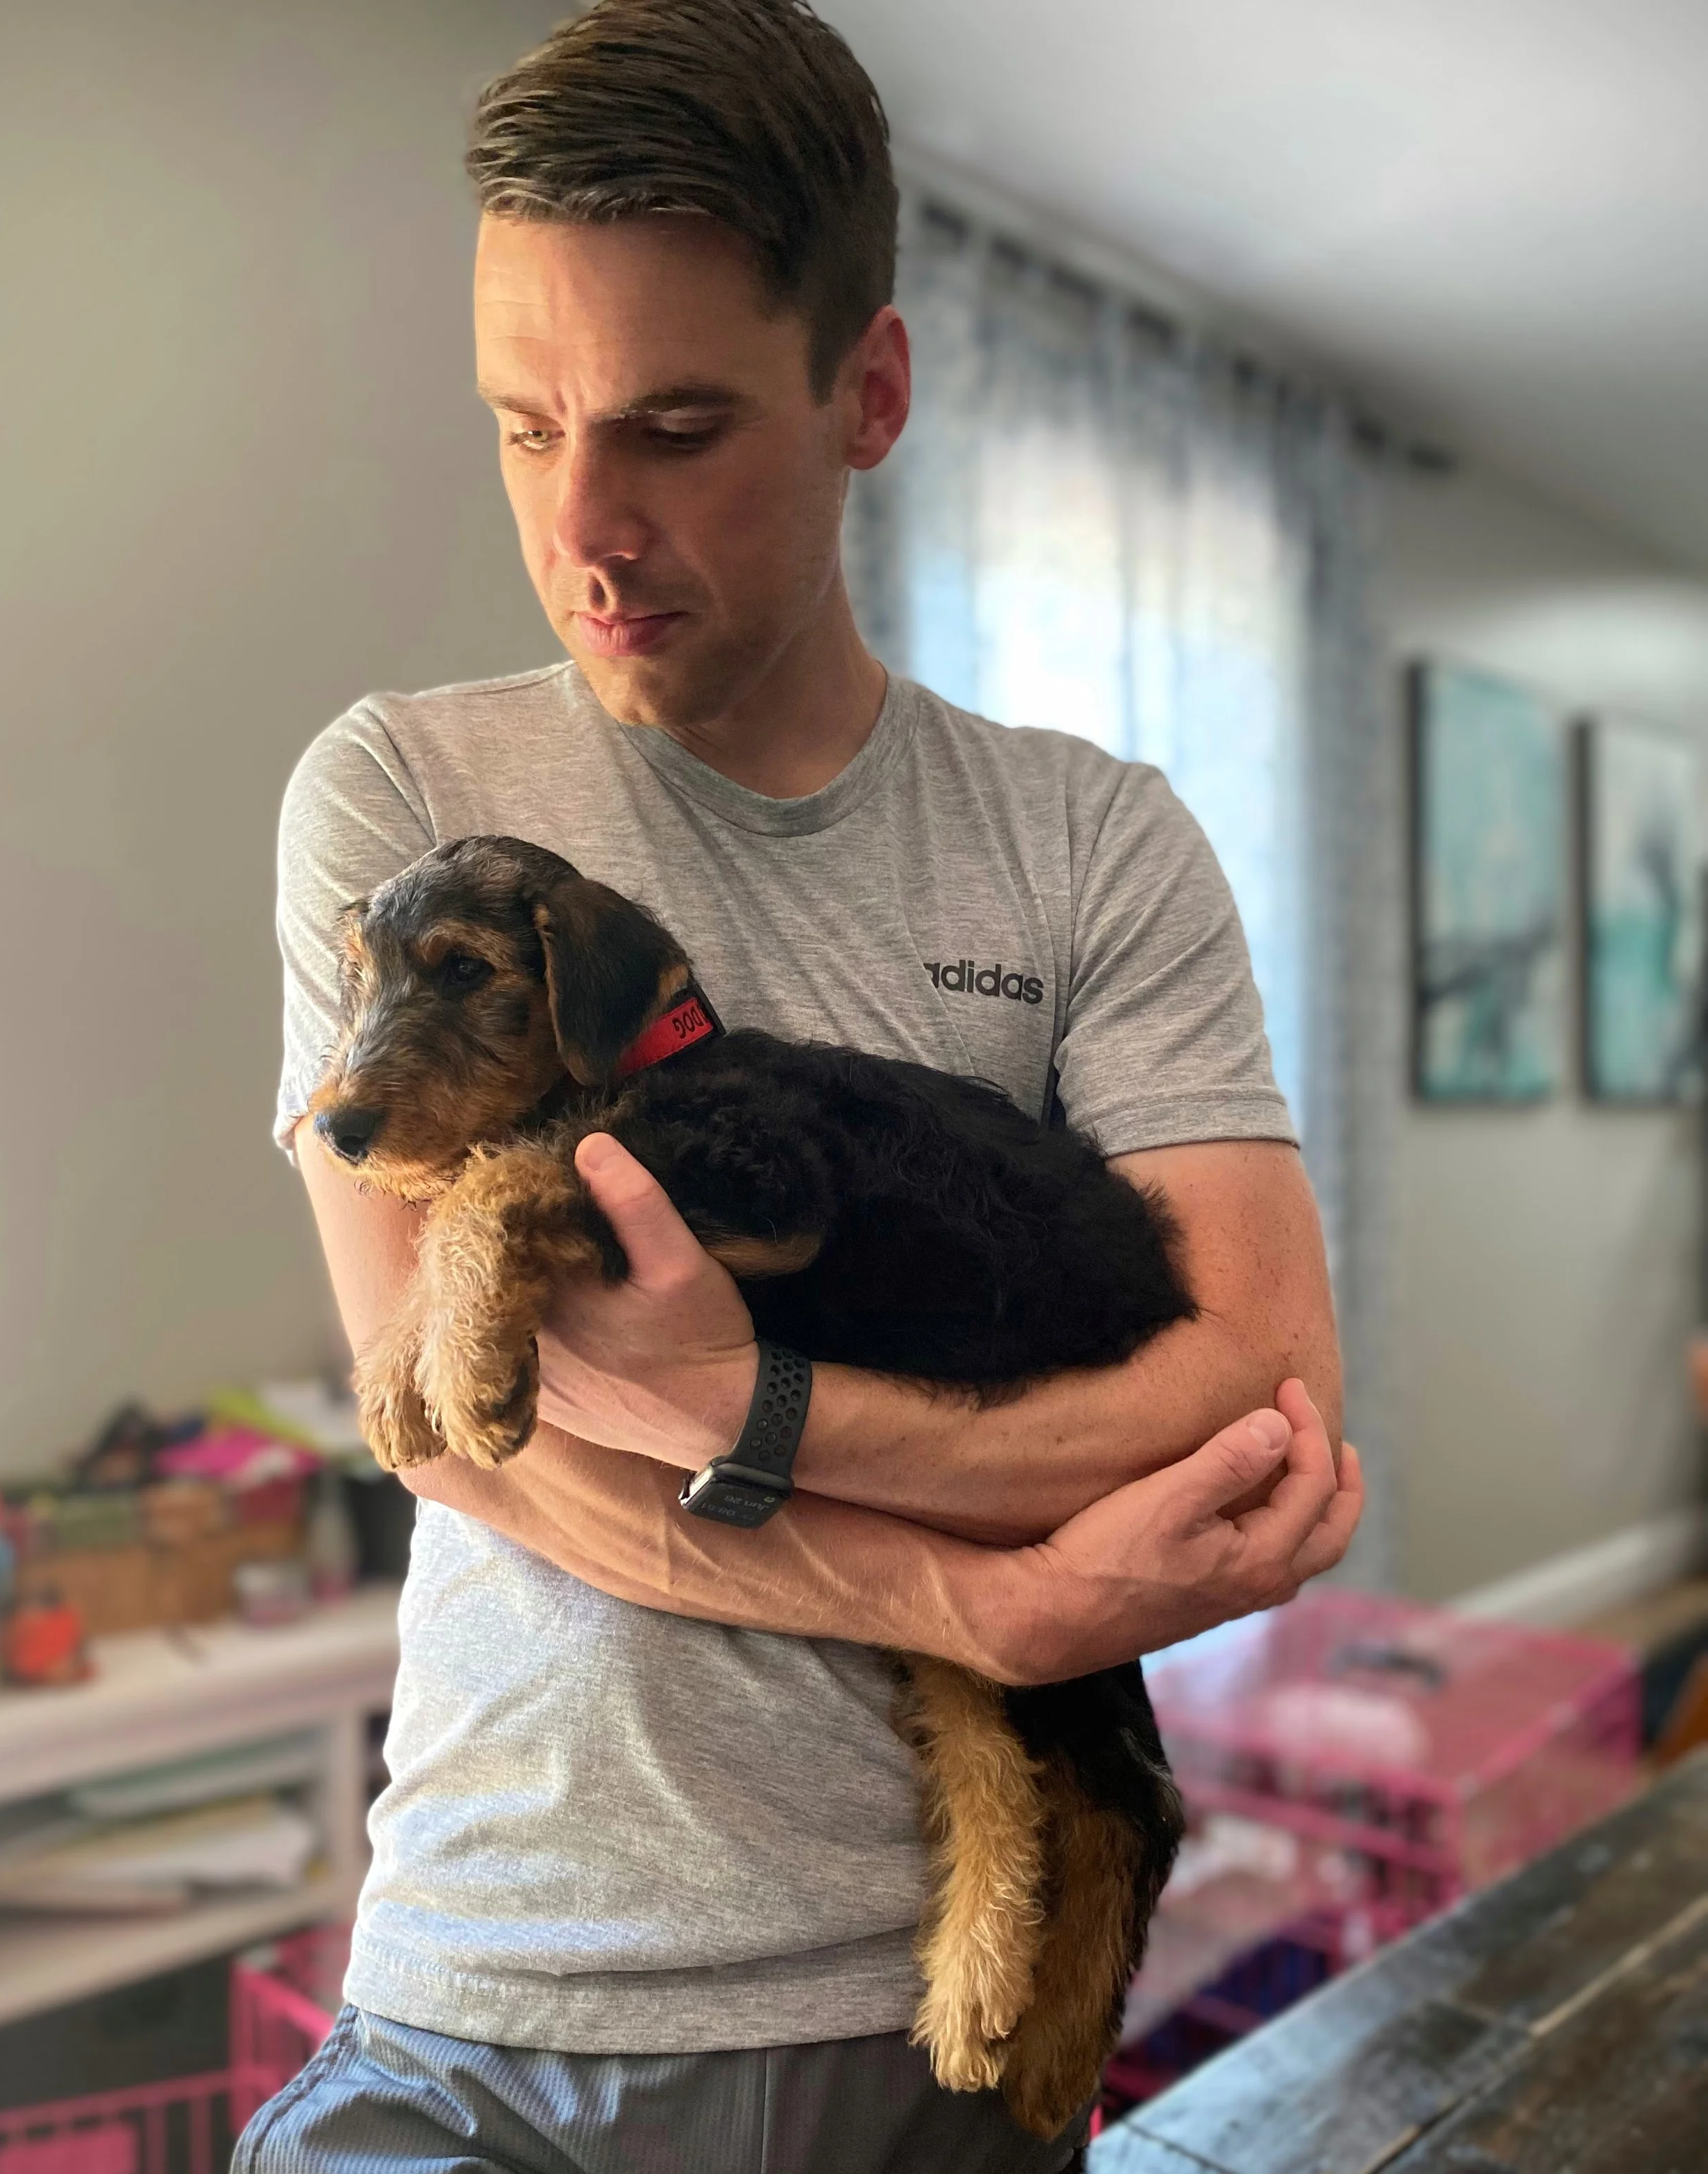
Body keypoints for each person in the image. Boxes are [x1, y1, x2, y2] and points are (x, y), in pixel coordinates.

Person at [239, 3, 1361, 2168]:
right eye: (520, 423)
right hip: (480, 1981)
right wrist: (981, 1594)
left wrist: (733, 1410)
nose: (585, 528)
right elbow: (448, 1421)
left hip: (924, 2016)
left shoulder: (1089, 838)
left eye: (672, 427)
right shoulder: (398, 797)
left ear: (870, 393)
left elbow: (1258, 1394)